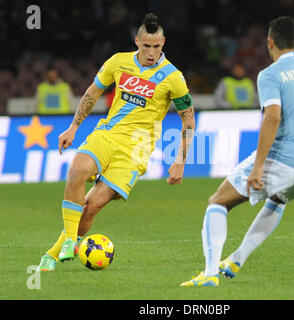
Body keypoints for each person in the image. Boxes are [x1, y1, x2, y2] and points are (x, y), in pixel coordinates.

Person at [181, 16, 294, 287]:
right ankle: (236, 258)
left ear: (269, 42)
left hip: (285, 159)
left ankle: (210, 274)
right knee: (278, 199)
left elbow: (272, 117)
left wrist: (258, 166)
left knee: (218, 201)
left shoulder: (270, 74)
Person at [37, 13, 195, 271]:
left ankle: (53, 254)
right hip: (107, 134)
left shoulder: (173, 77)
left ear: (164, 42)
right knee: (77, 169)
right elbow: (93, 92)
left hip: (136, 149)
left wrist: (180, 161)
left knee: (90, 208)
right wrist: (73, 126)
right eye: (146, 46)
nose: (151, 52)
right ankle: (68, 242)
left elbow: (188, 119)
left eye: (156, 46)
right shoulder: (118, 62)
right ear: (137, 41)